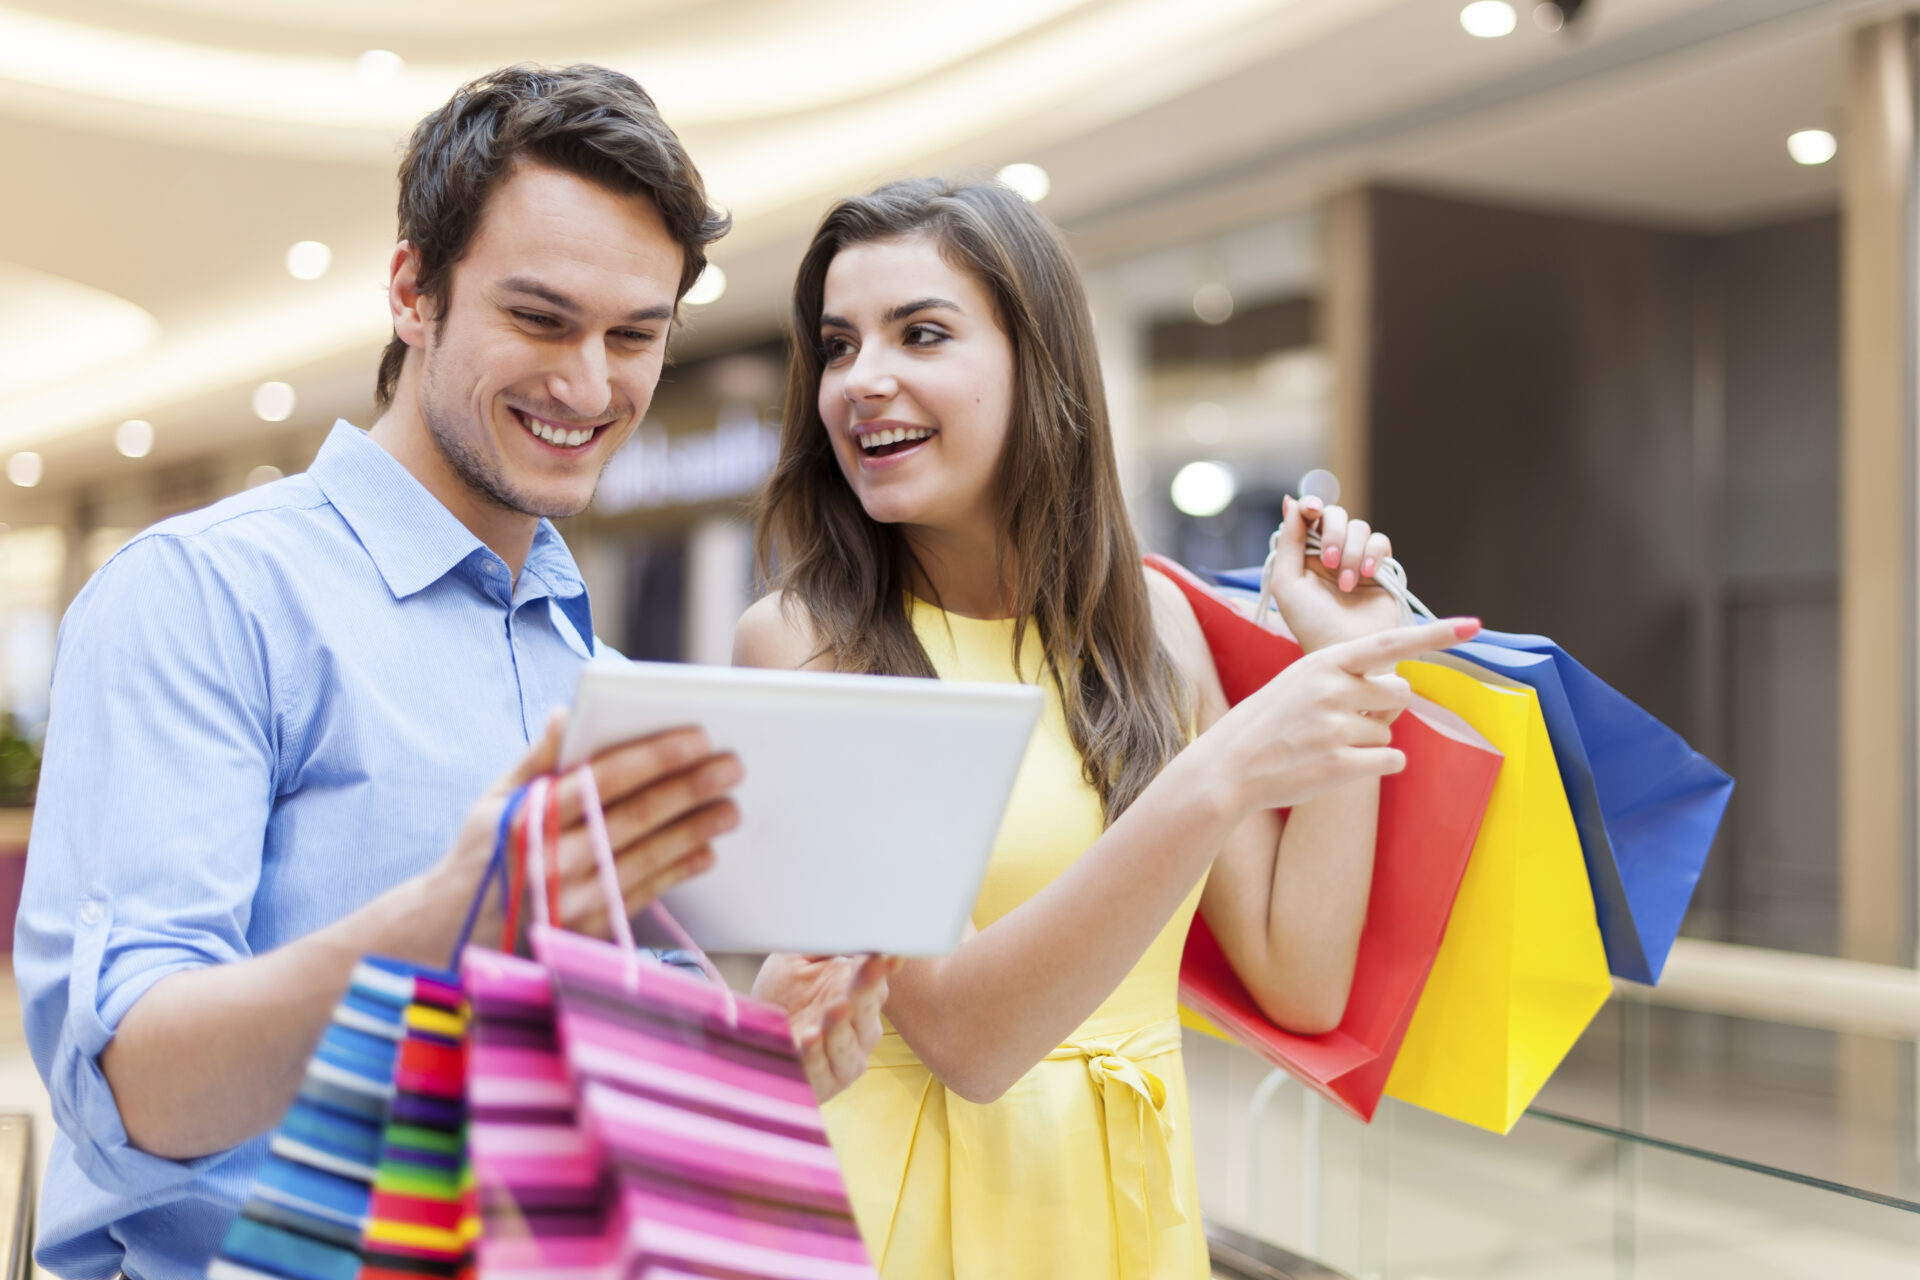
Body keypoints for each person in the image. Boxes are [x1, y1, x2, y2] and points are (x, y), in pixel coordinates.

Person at [16, 65, 887, 1280]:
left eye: (634, 336)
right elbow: (132, 1089)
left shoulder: (600, 668)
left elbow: (579, 1107)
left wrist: (755, 1050)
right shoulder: (204, 599)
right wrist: (441, 923)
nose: (590, 386)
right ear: (412, 290)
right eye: (540, 318)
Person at [738, 177, 1478, 1278]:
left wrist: (1345, 664)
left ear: (1037, 362)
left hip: (1127, 1216)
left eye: (921, 333)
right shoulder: (802, 643)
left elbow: (1300, 978)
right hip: (899, 1223)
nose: (863, 380)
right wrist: (1215, 773)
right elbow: (968, 1037)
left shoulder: (1154, 623)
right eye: (838, 345)